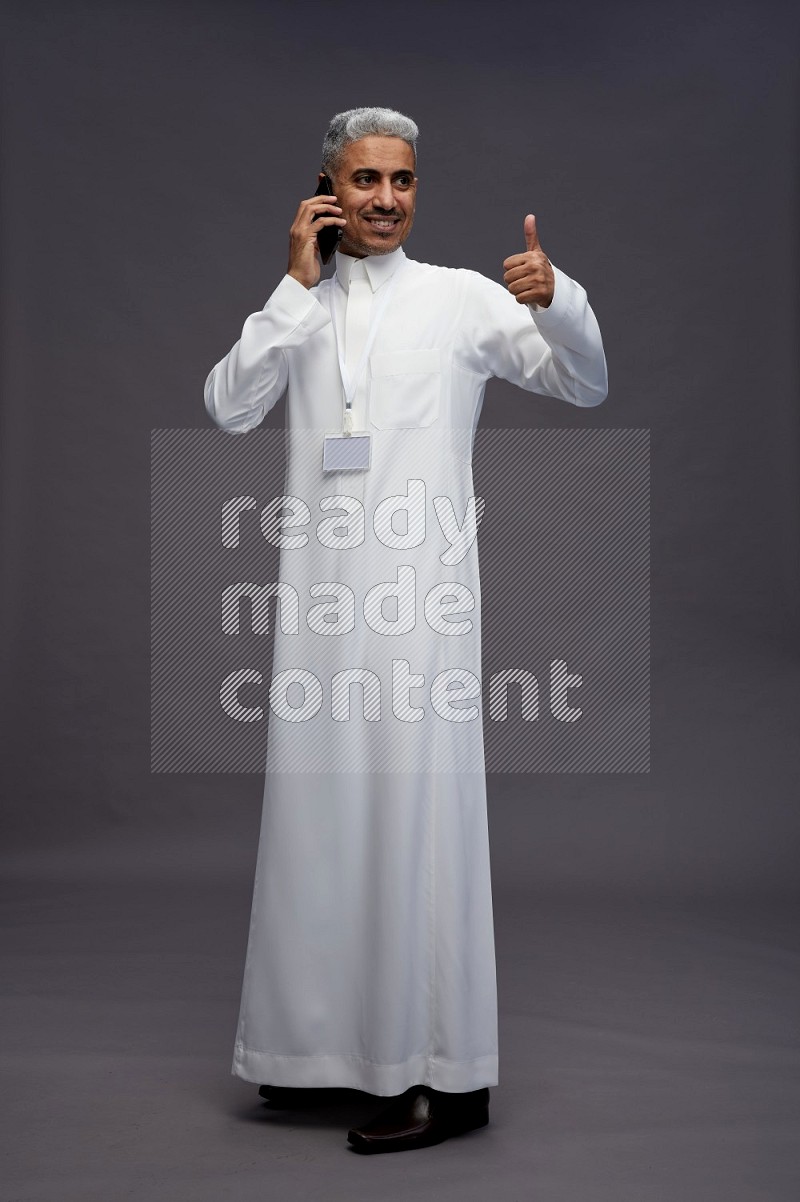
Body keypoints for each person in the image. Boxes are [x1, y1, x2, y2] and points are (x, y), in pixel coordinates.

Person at [204, 106, 607, 1154]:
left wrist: (557, 300)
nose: (386, 199)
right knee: (321, 827)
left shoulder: (459, 299)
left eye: (404, 180)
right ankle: (318, 1052)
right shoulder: (301, 309)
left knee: (416, 828)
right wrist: (291, 285)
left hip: (418, 609)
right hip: (321, 612)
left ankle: (445, 1072)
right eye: (366, 179)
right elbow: (228, 404)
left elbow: (583, 377)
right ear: (328, 190)